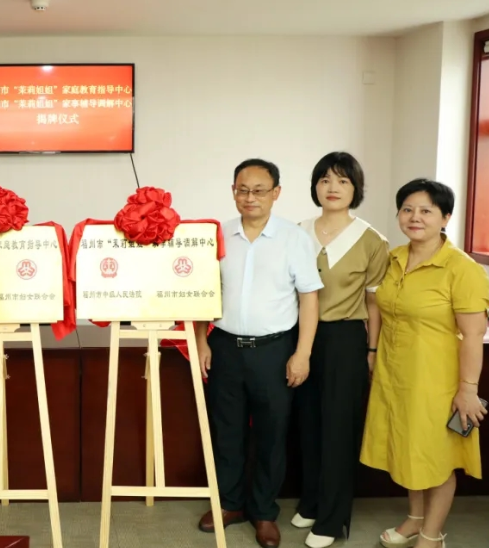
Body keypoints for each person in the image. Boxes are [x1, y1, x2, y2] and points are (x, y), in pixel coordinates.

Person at [195, 158, 323, 548]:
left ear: (276, 193)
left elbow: (309, 299)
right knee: (226, 431)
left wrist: (302, 354)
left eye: (259, 190)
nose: (250, 197)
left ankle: (264, 512)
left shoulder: (294, 238)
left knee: (272, 434)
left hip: (274, 350)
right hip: (225, 347)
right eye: (242, 189)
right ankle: (229, 504)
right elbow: (202, 293)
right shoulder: (218, 236)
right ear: (233, 191)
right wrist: (201, 341)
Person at [361, 179, 488, 548]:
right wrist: (373, 353)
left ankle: (432, 535)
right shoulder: (394, 258)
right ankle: (415, 519)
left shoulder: (461, 268)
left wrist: (468, 390)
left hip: (437, 380)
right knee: (407, 449)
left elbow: (473, 335)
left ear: (445, 217)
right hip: (395, 373)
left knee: (436, 458)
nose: (414, 217)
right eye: (407, 209)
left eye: (426, 211)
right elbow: (377, 306)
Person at [293, 153, 390, 548]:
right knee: (307, 424)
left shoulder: (371, 240)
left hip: (344, 339)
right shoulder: (297, 232)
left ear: (355, 189)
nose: (332, 188)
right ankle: (312, 502)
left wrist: (371, 350)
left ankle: (333, 520)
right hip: (300, 338)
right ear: (315, 186)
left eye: (343, 181)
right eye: (325, 180)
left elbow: (374, 303)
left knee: (338, 429)